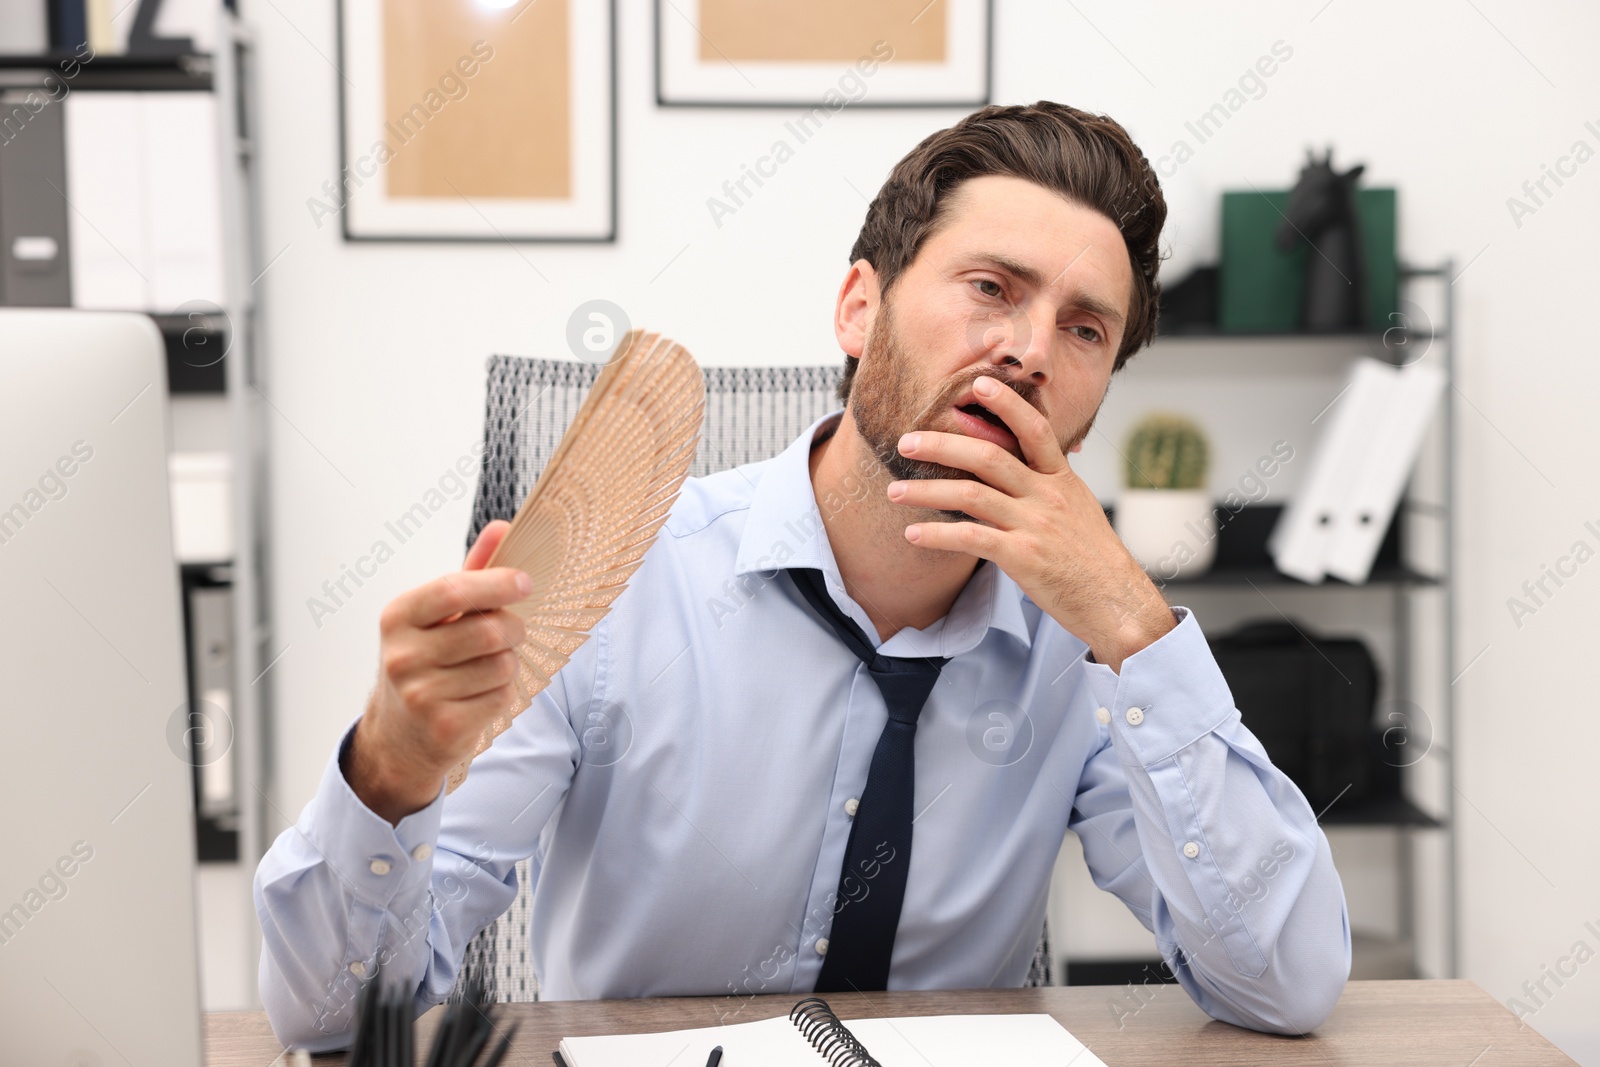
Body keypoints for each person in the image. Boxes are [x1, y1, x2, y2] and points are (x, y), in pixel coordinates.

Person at [255, 101, 1350, 1051]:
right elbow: (332, 1017)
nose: (1025, 350)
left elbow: (1286, 984)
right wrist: (392, 769)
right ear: (857, 307)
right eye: (989, 286)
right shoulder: (626, 577)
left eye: (1082, 328)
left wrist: (1128, 616)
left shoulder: (1088, 642)